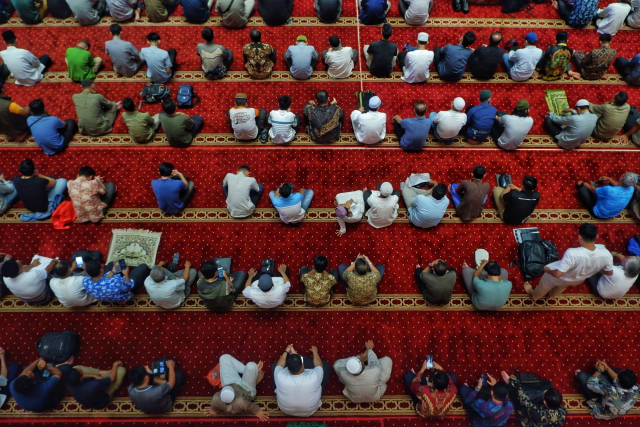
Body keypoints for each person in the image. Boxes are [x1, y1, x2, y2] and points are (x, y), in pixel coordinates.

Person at [525, 223, 614, 301]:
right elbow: (609, 272)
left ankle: (534, 296)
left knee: (544, 286)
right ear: (597, 236)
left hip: (558, 277)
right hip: (577, 280)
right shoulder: (606, 254)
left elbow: (558, 274)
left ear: (580, 237)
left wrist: (547, 269)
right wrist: (595, 268)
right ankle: (550, 296)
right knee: (561, 286)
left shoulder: (572, 253)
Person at [272, 344, 331, 417]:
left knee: (275, 366)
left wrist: (286, 351)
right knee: (325, 367)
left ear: (287, 368)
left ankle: (295, 358)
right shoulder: (313, 377)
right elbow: (319, 366)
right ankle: (299, 358)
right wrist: (315, 352)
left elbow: (279, 365)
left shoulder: (280, 376)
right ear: (303, 365)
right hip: (310, 410)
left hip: (286, 410)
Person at [205, 354, 269, 420]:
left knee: (224, 357)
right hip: (246, 389)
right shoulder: (239, 403)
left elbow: (215, 406)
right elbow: (250, 406)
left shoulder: (216, 399)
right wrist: (257, 411)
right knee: (251, 366)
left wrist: (214, 410)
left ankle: (248, 372)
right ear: (234, 394)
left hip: (232, 382)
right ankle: (252, 374)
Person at [502, 370, 567, 427]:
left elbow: (523, 400)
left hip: (530, 415)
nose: (544, 392)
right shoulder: (563, 411)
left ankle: (510, 385)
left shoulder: (537, 412)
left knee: (517, 400)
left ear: (544, 402)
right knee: (548, 384)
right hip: (538, 408)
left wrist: (514, 382)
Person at [83, 259, 150, 303]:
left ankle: (119, 270)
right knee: (143, 266)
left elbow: (102, 279)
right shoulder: (114, 281)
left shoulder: (85, 281)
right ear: (101, 270)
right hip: (125, 292)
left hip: (108, 292)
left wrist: (113, 272)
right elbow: (128, 287)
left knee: (112, 264)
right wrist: (126, 274)